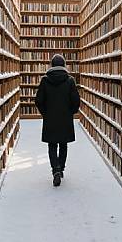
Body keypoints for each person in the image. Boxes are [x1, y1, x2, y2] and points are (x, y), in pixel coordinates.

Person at [35, 54, 80, 187]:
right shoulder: (70, 80)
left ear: (52, 65)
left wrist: (46, 114)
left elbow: (38, 101)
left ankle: (55, 170)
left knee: (52, 145)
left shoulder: (45, 80)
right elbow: (76, 101)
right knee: (63, 144)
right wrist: (70, 113)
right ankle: (61, 169)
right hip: (65, 118)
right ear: (64, 65)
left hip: (50, 118)